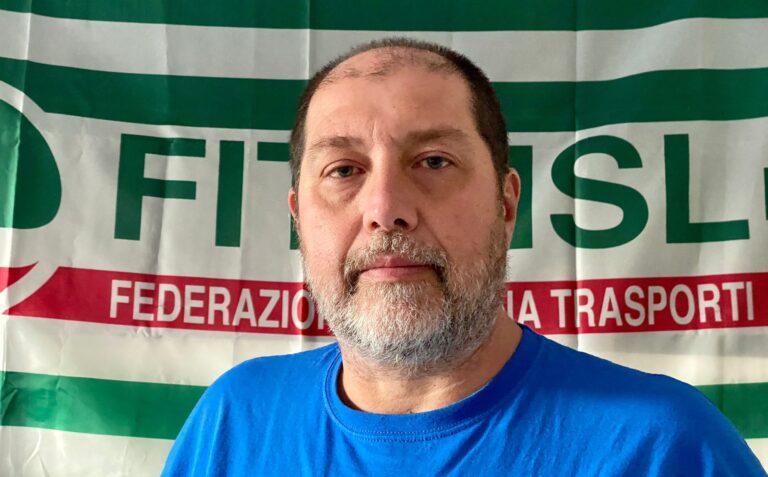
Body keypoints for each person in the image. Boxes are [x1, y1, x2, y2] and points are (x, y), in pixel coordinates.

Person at [162, 38, 765, 476]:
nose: (385, 209)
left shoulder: (664, 447)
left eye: (433, 161)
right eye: (343, 170)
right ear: (299, 219)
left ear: (505, 204)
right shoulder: (234, 420)